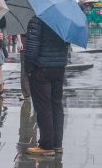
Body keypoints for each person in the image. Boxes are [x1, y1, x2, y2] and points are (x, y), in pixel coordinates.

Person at [24, 17, 69, 156]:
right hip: (59, 68)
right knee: (56, 105)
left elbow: (32, 48)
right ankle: (57, 144)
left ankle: (46, 145)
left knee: (44, 107)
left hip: (41, 68)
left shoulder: (37, 20)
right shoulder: (64, 20)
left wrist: (28, 68)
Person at [17, 34, 31, 101]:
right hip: (24, 42)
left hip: (35, 42)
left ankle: (29, 92)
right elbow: (18, 30)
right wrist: (19, 42)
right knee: (24, 70)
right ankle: (26, 93)